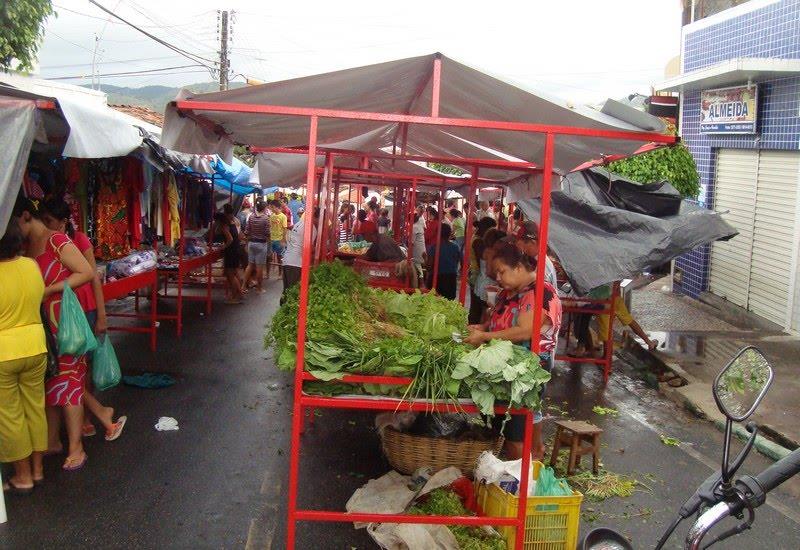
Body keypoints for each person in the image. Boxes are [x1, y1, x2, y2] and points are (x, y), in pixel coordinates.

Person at [14, 196, 96, 471]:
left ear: (26, 216)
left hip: (65, 322)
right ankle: (53, 440)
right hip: (43, 324)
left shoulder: (56, 241)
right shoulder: (27, 246)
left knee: (71, 381)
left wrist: (49, 290)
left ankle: (77, 447)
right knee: (51, 382)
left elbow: (86, 272)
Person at [465, 243, 561, 460]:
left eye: (502, 271)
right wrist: (482, 328)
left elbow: (525, 331)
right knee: (504, 427)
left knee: (515, 431)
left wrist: (485, 337)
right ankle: (515, 469)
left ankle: (521, 479)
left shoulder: (539, 292)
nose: (498, 277)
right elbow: (498, 322)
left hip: (527, 371)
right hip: (505, 368)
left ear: (518, 267)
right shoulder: (509, 292)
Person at [41, 199, 126, 442]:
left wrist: (101, 315)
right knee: (67, 370)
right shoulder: (46, 244)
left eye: (49, 222)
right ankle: (95, 414)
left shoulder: (77, 240)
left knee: (80, 370)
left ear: (63, 222)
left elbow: (93, 278)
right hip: (62, 315)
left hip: (83, 309)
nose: (46, 227)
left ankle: (89, 417)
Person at [0, 222, 48, 493]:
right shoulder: (31, 266)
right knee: (34, 407)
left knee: (10, 414)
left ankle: (23, 475)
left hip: (4, 351)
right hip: (35, 345)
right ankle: (38, 469)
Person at [593, 283, 659, 352]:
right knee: (629, 321)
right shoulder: (613, 273)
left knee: (605, 329)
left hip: (602, 303)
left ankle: (606, 355)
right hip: (615, 299)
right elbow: (617, 288)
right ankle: (649, 342)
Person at [282, 207, 318, 303]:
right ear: (316, 218)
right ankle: (287, 314)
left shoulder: (300, 223)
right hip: (296, 263)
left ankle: (283, 312)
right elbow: (308, 248)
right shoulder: (311, 228)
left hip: (287, 260)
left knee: (286, 291)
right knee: (292, 293)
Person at [211, 210, 244, 304]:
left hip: (231, 252)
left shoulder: (224, 226)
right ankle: (240, 294)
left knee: (231, 275)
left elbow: (230, 239)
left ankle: (235, 297)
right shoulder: (232, 223)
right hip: (235, 250)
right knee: (233, 274)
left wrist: (223, 247)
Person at [514, 221, 558, 289]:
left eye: (523, 247)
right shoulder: (533, 259)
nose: (523, 250)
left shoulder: (543, 267)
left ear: (533, 242)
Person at [425, 223, 461, 300]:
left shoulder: (434, 247)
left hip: (436, 279)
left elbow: (429, 267)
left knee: (434, 303)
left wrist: (425, 258)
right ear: (450, 233)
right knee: (448, 303)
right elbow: (462, 262)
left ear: (437, 233)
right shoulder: (455, 247)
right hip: (451, 279)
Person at [242, 199, 270, 294]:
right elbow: (267, 233)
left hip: (251, 243)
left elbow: (246, 231)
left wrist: (247, 242)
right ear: (264, 208)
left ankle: (243, 286)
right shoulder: (266, 218)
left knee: (249, 265)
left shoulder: (251, 217)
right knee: (259, 267)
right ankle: (259, 288)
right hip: (261, 244)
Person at [269, 199, 288, 277]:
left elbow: (285, 229)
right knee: (269, 257)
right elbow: (270, 226)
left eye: (272, 207)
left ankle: (280, 273)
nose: (271, 209)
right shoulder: (272, 216)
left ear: (277, 207)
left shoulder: (283, 216)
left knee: (279, 257)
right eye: (271, 207)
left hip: (279, 240)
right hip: (271, 239)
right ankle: (268, 273)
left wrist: (283, 240)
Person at [411, 212, 426, 287]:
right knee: (418, 264)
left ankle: (421, 282)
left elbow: (412, 241)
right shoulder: (419, 225)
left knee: (417, 264)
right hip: (421, 247)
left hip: (417, 248)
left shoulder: (414, 227)